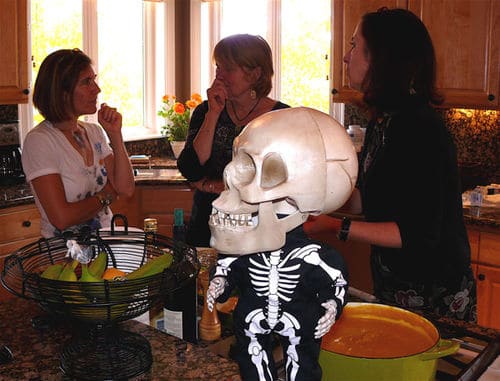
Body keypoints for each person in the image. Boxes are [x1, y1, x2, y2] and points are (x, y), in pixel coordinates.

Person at [304, 8, 476, 321]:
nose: (345, 57)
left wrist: (334, 226)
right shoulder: (385, 121)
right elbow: (365, 199)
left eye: (355, 46)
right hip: (395, 282)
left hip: (434, 290)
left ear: (381, 60)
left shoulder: (420, 130)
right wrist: (316, 200)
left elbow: (416, 234)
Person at [177, 34, 290, 247]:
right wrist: (213, 113)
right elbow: (190, 168)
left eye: (228, 69)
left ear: (255, 74)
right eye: (218, 67)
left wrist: (214, 186)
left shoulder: (281, 117)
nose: (219, 76)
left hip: (260, 228)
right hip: (208, 223)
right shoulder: (206, 111)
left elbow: (285, 180)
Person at [22, 48, 135, 238]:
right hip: (65, 254)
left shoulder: (94, 132)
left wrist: (115, 134)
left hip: (105, 244)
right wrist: (106, 194)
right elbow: (61, 218)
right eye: (86, 82)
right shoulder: (40, 141)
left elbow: (125, 189)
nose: (97, 89)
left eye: (94, 80)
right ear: (62, 93)